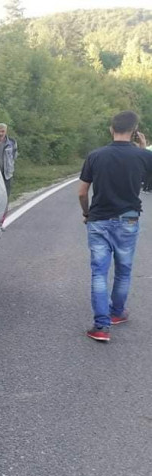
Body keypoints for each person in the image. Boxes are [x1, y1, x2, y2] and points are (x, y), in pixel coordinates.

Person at [78, 110, 152, 342]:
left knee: (99, 272)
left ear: (111, 129)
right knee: (124, 270)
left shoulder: (96, 155)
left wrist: (87, 213)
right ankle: (117, 312)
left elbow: (81, 191)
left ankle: (101, 327)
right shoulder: (144, 157)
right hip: (129, 219)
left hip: (99, 219)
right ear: (134, 130)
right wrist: (143, 149)